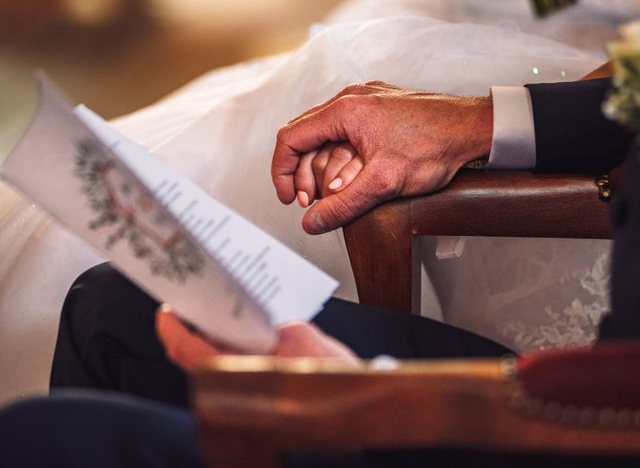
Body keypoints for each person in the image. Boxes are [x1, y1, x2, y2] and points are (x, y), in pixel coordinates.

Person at [1, 69, 639, 466]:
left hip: (574, 430)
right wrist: (479, 124)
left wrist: (362, 392)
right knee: (113, 305)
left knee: (40, 436)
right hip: (598, 380)